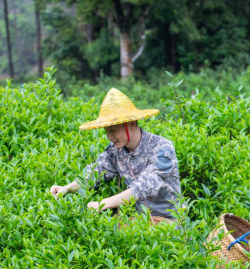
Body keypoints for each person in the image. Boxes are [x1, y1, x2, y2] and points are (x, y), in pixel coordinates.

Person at [50, 88, 182, 221]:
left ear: (131, 123)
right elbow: (96, 172)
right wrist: (67, 188)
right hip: (139, 220)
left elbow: (143, 187)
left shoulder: (162, 147)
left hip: (169, 223)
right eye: (106, 131)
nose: (109, 136)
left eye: (113, 130)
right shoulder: (115, 150)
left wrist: (102, 204)